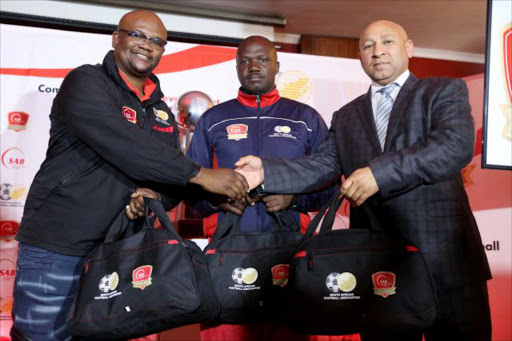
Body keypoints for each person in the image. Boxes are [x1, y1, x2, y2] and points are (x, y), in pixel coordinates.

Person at [236, 20, 492, 341]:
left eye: (387, 42)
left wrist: (378, 174)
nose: (378, 51)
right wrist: (266, 172)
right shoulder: (346, 116)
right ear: (360, 55)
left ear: (408, 48)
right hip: (380, 271)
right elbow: (320, 166)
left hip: (447, 264)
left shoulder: (441, 91)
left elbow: (453, 147)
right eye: (368, 45)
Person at [10, 10, 248, 341]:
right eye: (137, 35)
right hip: (59, 247)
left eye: (156, 41)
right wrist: (201, 174)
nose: (146, 46)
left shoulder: (161, 109)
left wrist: (158, 196)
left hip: (119, 253)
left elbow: (165, 177)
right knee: (44, 337)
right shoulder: (87, 82)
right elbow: (125, 144)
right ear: (116, 38)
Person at [188, 36, 334, 341]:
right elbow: (190, 192)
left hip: (290, 251)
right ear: (236, 67)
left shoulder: (306, 119)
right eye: (245, 61)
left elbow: (331, 187)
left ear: (277, 66)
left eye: (263, 60)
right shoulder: (213, 120)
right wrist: (217, 201)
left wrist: (295, 199)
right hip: (229, 254)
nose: (254, 67)